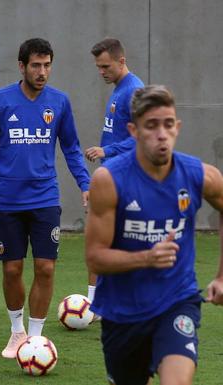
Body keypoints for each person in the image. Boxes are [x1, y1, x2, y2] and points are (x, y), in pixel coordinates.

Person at [85, 85, 223, 385]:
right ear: (133, 130)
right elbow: (95, 258)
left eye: (168, 124)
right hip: (123, 313)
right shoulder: (109, 180)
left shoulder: (200, 175)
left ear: (178, 127)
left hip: (177, 301)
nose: (162, 134)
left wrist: (222, 276)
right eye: (152, 126)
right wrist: (147, 257)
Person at [0, 38, 90, 358]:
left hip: (45, 199)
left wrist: (85, 183)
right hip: (8, 202)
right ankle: (16, 332)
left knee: (46, 268)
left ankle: (35, 339)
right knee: (11, 269)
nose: (42, 72)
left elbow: (71, 148)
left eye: (47, 65)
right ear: (22, 66)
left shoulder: (60, 102)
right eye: (36, 65)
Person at [84, 38, 144, 310]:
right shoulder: (119, 87)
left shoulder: (134, 91)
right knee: (99, 237)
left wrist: (106, 151)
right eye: (98, 67)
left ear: (122, 61)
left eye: (105, 66)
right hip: (110, 177)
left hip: (126, 178)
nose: (101, 72)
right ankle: (96, 303)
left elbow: (143, 137)